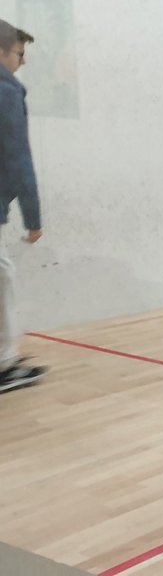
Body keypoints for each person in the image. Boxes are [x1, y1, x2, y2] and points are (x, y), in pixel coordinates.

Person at [0, 19, 46, 393]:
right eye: (19, 53)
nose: (22, 62)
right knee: (3, 280)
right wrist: (33, 218)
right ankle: (3, 365)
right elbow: (17, 158)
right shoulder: (5, 91)